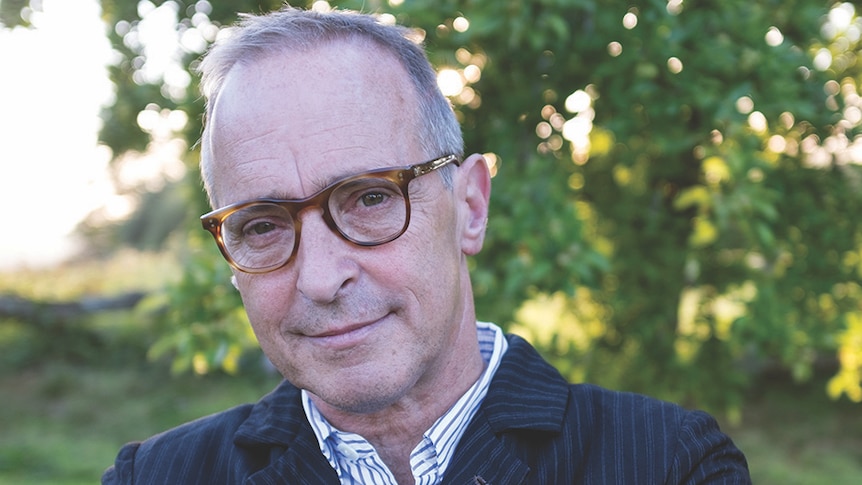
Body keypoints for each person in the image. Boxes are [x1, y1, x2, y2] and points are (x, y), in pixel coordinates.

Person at [103, 5, 751, 484]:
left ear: (470, 207)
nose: (322, 278)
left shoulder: (668, 463)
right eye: (263, 224)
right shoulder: (157, 476)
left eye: (370, 197)